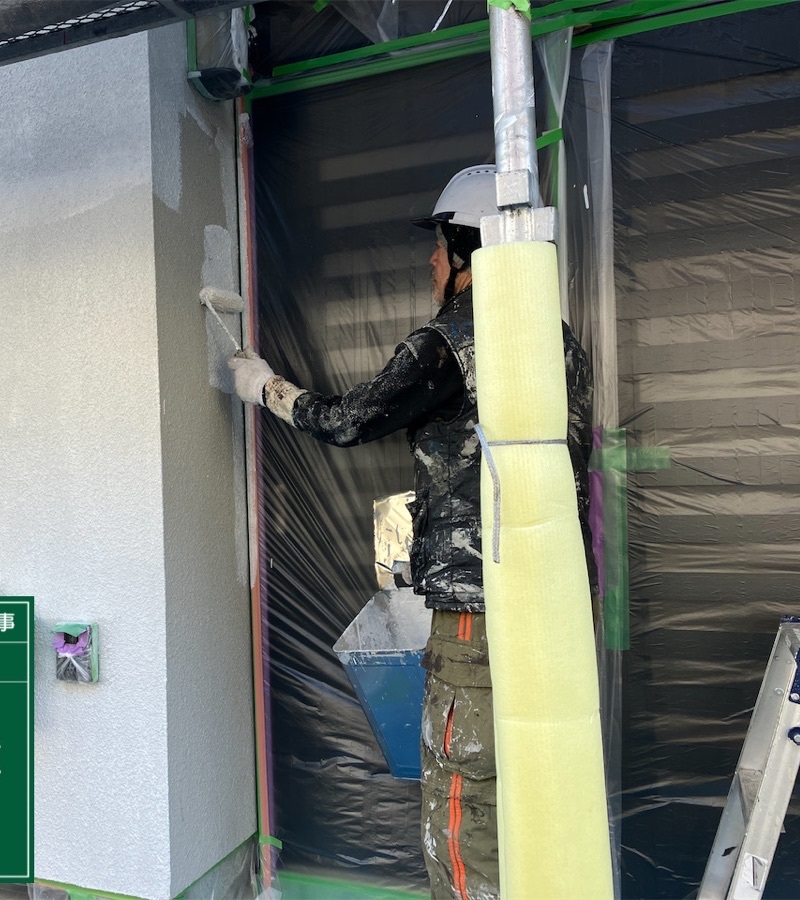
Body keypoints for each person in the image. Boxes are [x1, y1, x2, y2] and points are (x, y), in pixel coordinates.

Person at [228, 164, 594, 900]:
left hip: (476, 616)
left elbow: (350, 419)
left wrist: (264, 388)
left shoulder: (453, 340)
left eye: (438, 244)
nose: (429, 261)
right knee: (533, 794)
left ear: (467, 249)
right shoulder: (557, 342)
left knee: (462, 805)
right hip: (551, 611)